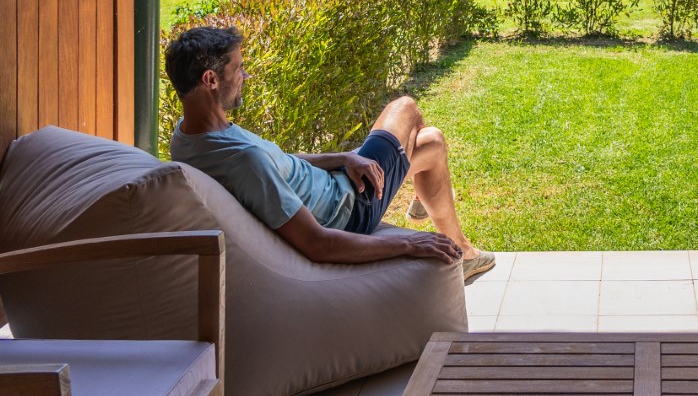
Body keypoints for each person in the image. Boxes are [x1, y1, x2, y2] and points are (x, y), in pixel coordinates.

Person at [165, 26, 495, 280]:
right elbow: (318, 244)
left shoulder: (187, 135)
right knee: (405, 107)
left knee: (432, 142)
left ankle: (463, 252)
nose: (245, 76)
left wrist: (342, 158)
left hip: (338, 182)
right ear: (211, 79)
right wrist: (412, 243)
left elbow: (278, 163)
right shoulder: (242, 159)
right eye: (238, 69)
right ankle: (429, 210)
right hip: (352, 208)